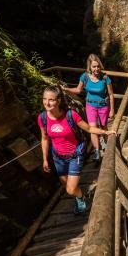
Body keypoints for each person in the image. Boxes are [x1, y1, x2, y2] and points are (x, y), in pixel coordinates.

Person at [38, 85, 115, 214]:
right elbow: (44, 138)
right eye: (44, 99)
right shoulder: (42, 118)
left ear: (58, 101)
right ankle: (79, 196)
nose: (47, 102)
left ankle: (81, 197)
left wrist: (105, 132)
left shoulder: (70, 115)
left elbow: (89, 129)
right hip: (58, 157)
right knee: (66, 186)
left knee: (70, 189)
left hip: (75, 155)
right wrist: (45, 159)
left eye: (51, 99)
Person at [64, 54, 115, 162]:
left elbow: (111, 94)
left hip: (103, 106)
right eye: (94, 67)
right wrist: (66, 89)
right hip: (90, 105)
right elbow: (78, 90)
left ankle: (106, 145)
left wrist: (112, 110)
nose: (96, 69)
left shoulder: (105, 78)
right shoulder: (85, 77)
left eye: (98, 66)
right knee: (92, 129)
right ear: (89, 67)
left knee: (103, 126)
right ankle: (97, 152)